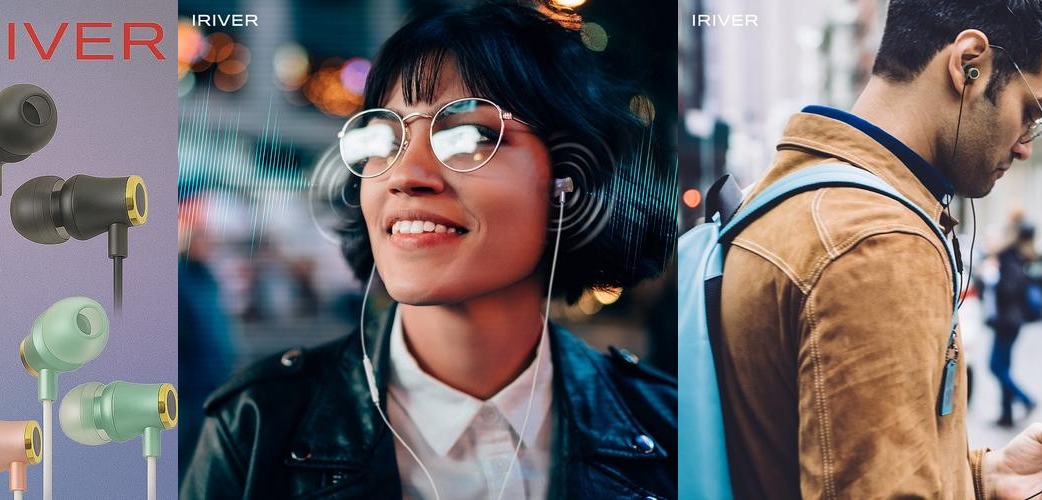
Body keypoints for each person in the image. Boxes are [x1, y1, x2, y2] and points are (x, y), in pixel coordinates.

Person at [183, 3, 678, 498]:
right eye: (385, 137)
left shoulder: (671, 431)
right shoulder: (256, 427)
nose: (404, 174)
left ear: (570, 177)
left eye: (469, 136)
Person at [707, 0, 1042, 497]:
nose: (1025, 144)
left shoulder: (793, 195)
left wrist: (977, 478)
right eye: (1030, 112)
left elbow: (825, 453)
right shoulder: (877, 244)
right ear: (970, 62)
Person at [988, 216, 1040, 428]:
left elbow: (1009, 290)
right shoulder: (1017, 258)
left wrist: (990, 280)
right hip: (1012, 320)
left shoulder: (1009, 260)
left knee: (995, 366)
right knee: (1005, 367)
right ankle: (1006, 415)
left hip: (1007, 321)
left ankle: (1026, 399)